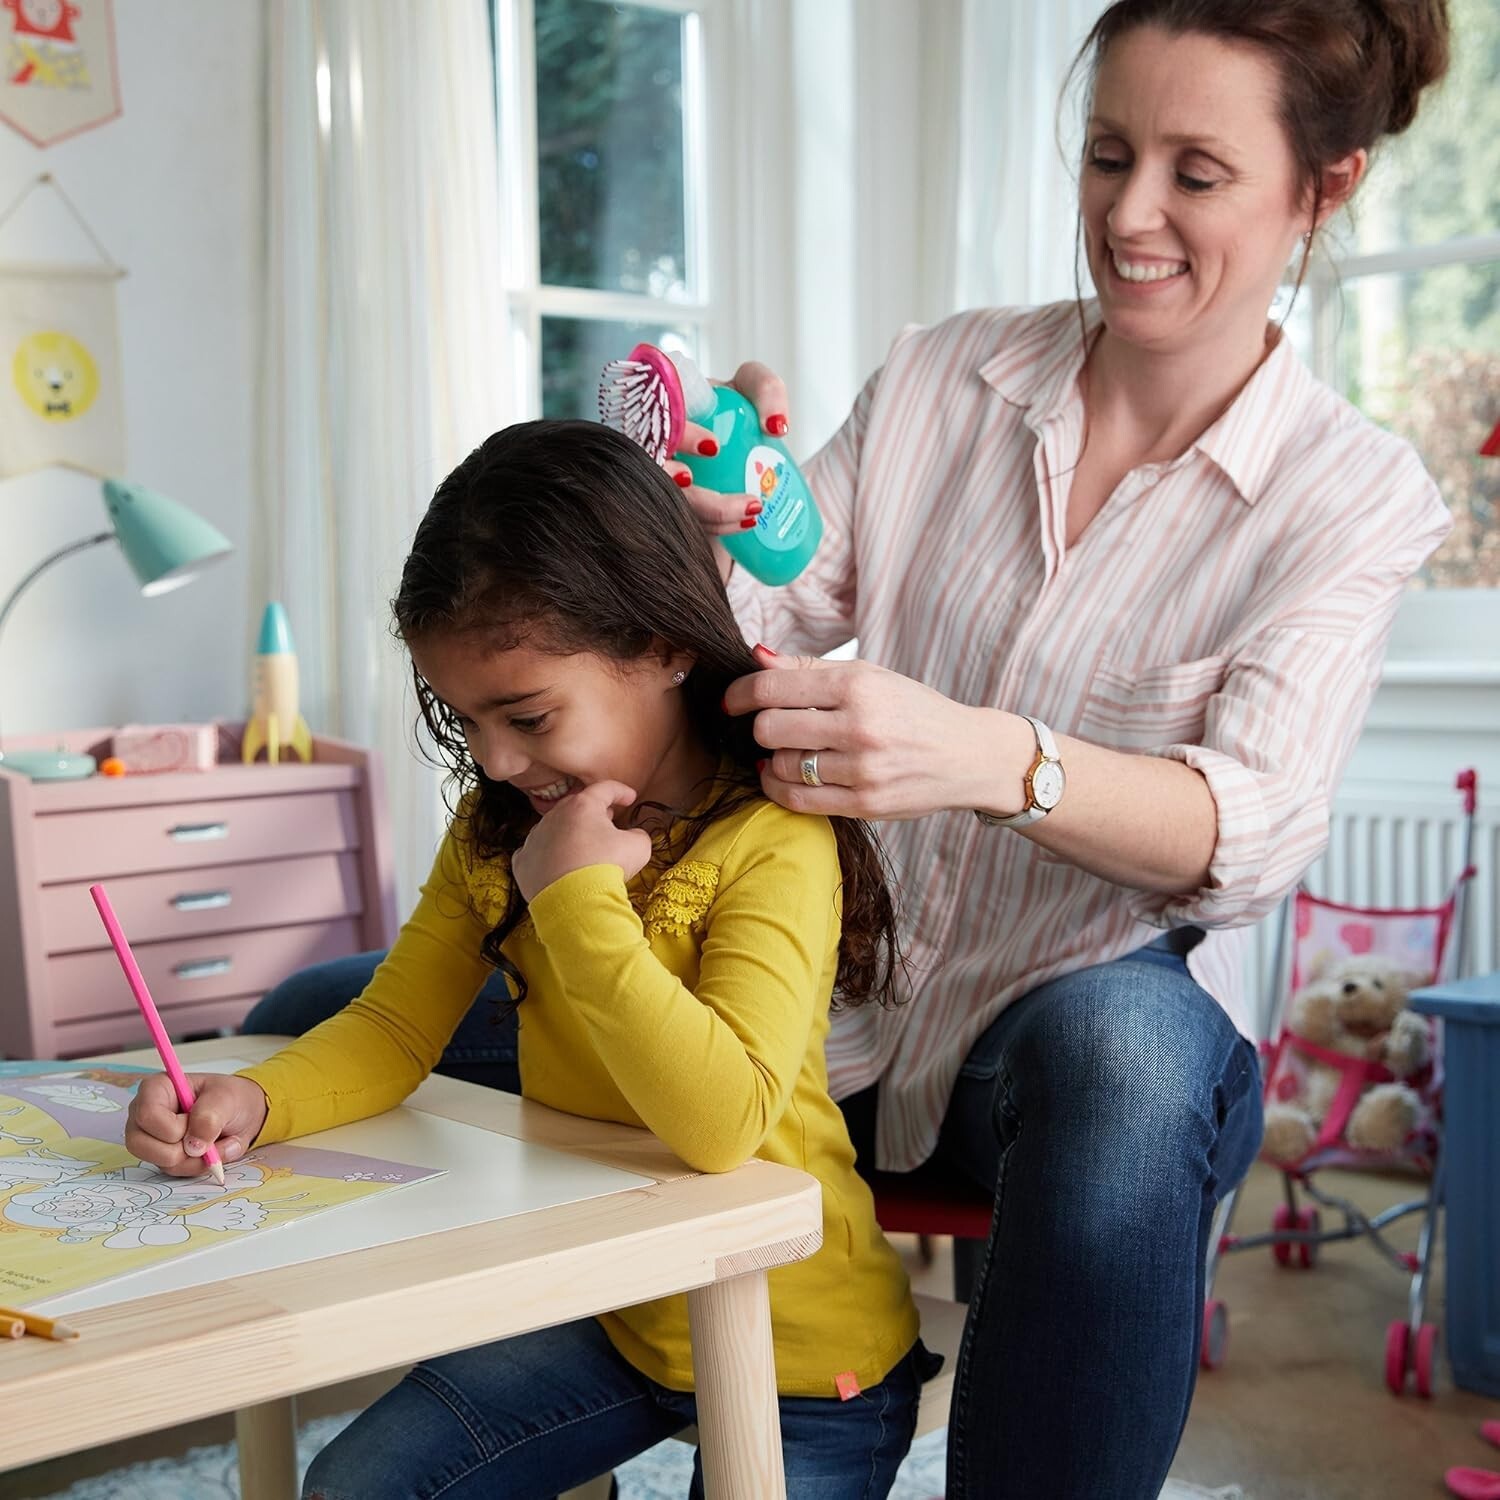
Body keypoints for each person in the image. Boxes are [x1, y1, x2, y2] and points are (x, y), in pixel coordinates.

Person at [240, 1, 1456, 1495]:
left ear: (1325, 186)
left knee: (1129, 1068)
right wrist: (699, 538)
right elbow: (742, 626)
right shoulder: (945, 377)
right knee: (308, 1012)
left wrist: (995, 761)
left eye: (1195, 174)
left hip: (1038, 1049)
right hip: (798, 1002)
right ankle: (565, 1356)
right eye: (1106, 155)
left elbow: (1253, 830)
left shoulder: (1351, 498)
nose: (1130, 214)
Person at [125, 421, 934, 1500]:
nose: (498, 760)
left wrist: (574, 899)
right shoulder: (498, 826)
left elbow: (724, 1121)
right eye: (467, 720)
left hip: (799, 1344)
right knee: (356, 1488)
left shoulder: (773, 835)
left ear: (665, 646)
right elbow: (395, 1027)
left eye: (529, 715)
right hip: (612, 1307)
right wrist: (257, 1102)